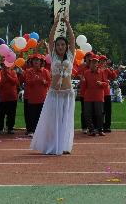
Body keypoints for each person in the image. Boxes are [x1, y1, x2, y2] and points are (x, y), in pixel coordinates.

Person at [31, 12, 77, 155]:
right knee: (53, 120)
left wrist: (68, 24)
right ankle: (52, 144)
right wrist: (56, 23)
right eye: (58, 45)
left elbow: (73, 39)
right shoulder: (53, 55)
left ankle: (63, 146)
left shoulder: (71, 55)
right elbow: (50, 39)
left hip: (67, 93)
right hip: (54, 93)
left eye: (63, 44)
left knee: (65, 120)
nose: (61, 46)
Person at [22, 53, 49, 136]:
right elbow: (27, 82)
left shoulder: (45, 71)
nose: (36, 62)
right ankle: (32, 130)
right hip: (32, 98)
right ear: (32, 62)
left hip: (42, 97)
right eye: (34, 60)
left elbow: (50, 83)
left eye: (38, 60)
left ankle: (41, 131)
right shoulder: (29, 71)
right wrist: (35, 79)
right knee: (32, 115)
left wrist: (44, 82)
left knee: (42, 115)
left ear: (41, 62)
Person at [82, 55, 106, 137]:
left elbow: (106, 84)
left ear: (98, 64)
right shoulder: (86, 73)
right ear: (90, 63)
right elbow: (84, 86)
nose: (93, 64)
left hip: (99, 97)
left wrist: (101, 83)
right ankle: (91, 130)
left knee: (99, 114)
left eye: (95, 62)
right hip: (88, 96)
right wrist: (82, 82)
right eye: (92, 62)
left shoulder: (101, 72)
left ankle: (100, 130)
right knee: (87, 114)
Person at [0, 58, 19, 134]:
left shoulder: (13, 72)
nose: (4, 66)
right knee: (0, 114)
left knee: (11, 114)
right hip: (2, 97)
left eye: (6, 64)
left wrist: (7, 76)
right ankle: (0, 128)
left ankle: (10, 128)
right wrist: (5, 78)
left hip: (12, 97)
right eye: (3, 65)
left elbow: (15, 82)